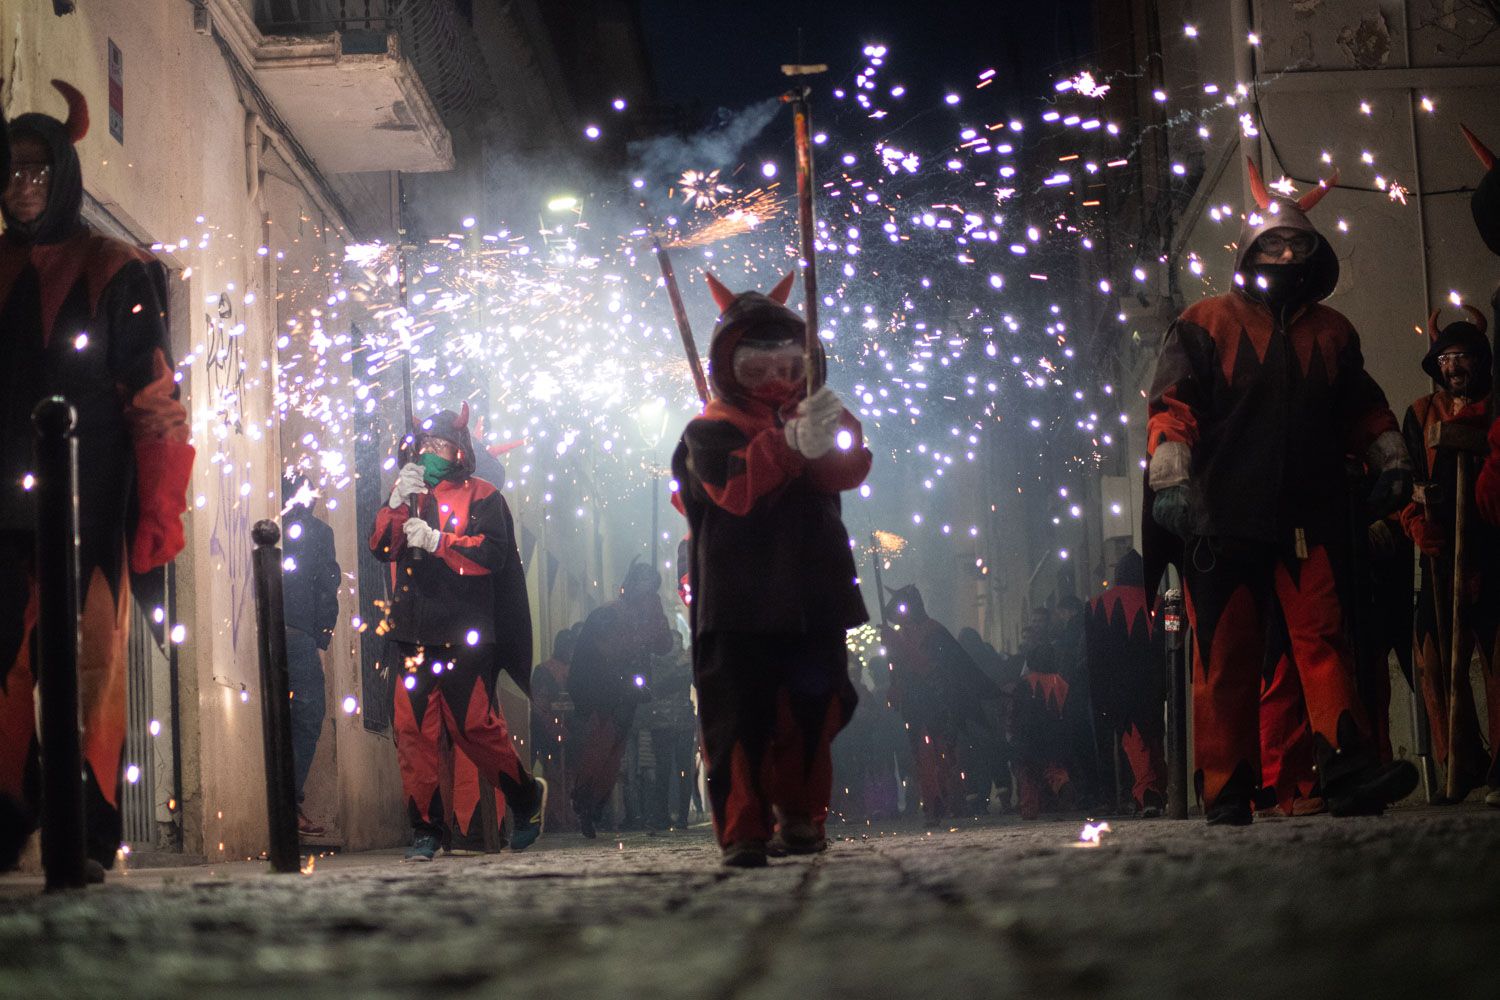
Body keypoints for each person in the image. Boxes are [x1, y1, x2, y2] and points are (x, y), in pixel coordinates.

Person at [1144, 158, 1418, 823]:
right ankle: (1227, 788)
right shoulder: (1204, 322)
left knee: (1324, 643)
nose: (1285, 251)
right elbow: (1172, 404)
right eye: (1273, 242)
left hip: (1309, 515)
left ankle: (1347, 770)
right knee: (1228, 658)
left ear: (1313, 253)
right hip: (1225, 519)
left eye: (1295, 243)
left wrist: (1392, 462)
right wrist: (1171, 479)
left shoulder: (1334, 331)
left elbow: (1363, 408)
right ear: (1250, 250)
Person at [0, 82, 194, 877]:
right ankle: (10, 819)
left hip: (90, 507)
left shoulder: (118, 270)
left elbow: (154, 402)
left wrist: (159, 510)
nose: (23, 188)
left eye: (39, 174)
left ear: (66, 174)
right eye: (11, 173)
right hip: (4, 520)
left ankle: (85, 826)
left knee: (89, 673)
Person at [671, 271, 869, 866]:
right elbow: (735, 488)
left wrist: (825, 435)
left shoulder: (817, 412)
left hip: (812, 598)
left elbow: (850, 468)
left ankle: (802, 815)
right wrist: (787, 446)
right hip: (737, 606)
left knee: (813, 711)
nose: (776, 381)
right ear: (730, 367)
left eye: (789, 365)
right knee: (739, 723)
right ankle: (744, 830)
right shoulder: (710, 430)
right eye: (757, 368)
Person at [370, 403, 545, 860]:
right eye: (424, 445)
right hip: (411, 632)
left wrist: (438, 541)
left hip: (466, 632)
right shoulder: (409, 493)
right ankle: (426, 828)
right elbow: (381, 548)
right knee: (413, 734)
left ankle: (525, 795)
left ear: (459, 448)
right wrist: (392, 506)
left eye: (439, 445)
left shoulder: (485, 495)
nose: (430, 453)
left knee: (474, 727)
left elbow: (493, 554)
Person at [1397, 307, 1500, 804]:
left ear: (1480, 361)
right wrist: (1415, 520)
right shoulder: (1420, 413)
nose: (1454, 366)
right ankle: (1458, 759)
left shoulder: (1496, 407)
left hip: (1492, 548)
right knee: (1433, 660)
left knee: (1498, 656)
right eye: (1446, 357)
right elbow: (1407, 481)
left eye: (1463, 356)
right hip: (1439, 552)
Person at [566, 560, 673, 837]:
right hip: (603, 689)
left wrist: (656, 620)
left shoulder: (650, 609)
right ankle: (586, 797)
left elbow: (663, 645)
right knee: (602, 742)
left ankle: (596, 800)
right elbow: (605, 651)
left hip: (627, 690)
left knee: (616, 749)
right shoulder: (610, 613)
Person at [881, 585, 998, 825]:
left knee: (945, 753)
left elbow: (927, 665)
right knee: (921, 755)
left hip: (937, 702)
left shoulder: (933, 632)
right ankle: (933, 804)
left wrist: (898, 645)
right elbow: (899, 667)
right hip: (914, 705)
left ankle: (954, 801)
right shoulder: (901, 633)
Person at [280, 477, 341, 836]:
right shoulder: (318, 532)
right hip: (299, 635)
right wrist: (321, 640)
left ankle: (286, 802)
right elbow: (326, 586)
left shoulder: (272, 524)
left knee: (291, 717)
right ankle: (289, 803)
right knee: (308, 714)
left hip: (283, 631)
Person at [1085, 550, 1166, 816]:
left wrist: (1097, 695)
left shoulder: (1096, 605)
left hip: (1115, 686)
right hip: (1152, 683)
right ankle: (1156, 789)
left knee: (1132, 740)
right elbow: (1167, 644)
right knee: (1152, 737)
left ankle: (1147, 792)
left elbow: (1094, 656)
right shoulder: (1160, 603)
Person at [530, 625, 579, 831]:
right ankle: (555, 816)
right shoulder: (545, 671)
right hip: (548, 733)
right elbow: (540, 704)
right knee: (554, 775)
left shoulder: (576, 670)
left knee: (568, 777)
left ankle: (567, 814)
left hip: (572, 733)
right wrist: (556, 730)